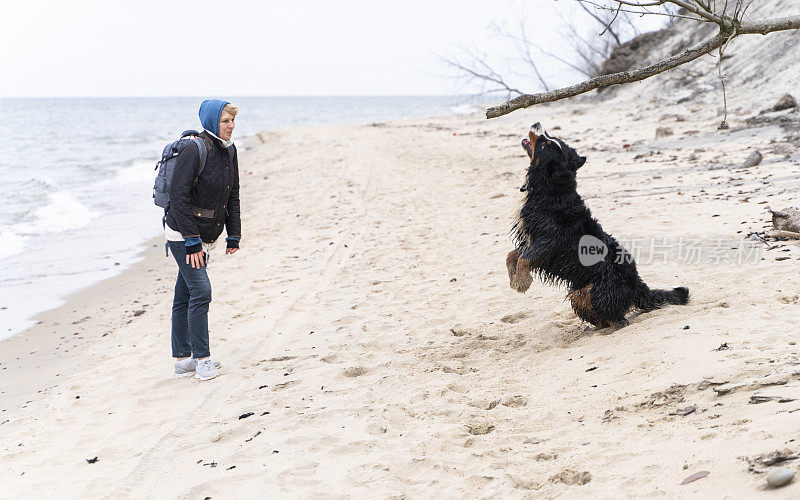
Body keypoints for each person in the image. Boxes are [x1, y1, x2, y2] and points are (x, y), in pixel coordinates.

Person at [164, 99, 241, 380]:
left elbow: (232, 194)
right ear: (211, 121)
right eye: (225, 121)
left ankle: (183, 361)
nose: (231, 126)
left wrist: (234, 233)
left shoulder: (229, 151)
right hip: (183, 235)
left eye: (233, 121)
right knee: (201, 291)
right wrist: (192, 241)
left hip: (206, 235)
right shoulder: (192, 149)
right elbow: (178, 197)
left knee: (185, 292)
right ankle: (202, 359)